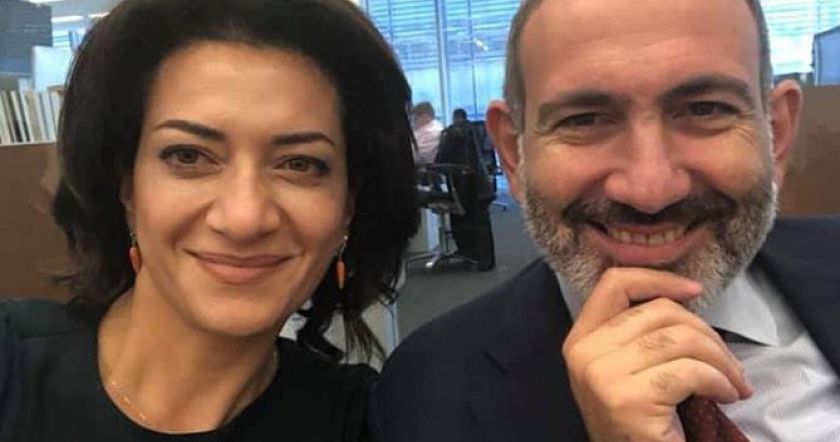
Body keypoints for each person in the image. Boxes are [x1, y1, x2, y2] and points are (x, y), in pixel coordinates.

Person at [371, 0, 840, 441]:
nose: (650, 191)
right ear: (514, 153)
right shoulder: (425, 396)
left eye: (705, 110)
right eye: (585, 120)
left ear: (776, 134)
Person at [0, 0, 418, 440]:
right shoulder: (13, 366)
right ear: (127, 186)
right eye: (188, 156)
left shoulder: (370, 424)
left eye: (299, 164)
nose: (244, 218)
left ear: (349, 205)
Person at [434, 109, 496, 270]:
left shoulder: (450, 134)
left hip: (462, 186)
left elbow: (439, 161)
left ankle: (467, 252)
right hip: (480, 186)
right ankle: (481, 258)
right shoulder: (478, 131)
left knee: (461, 216)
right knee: (479, 222)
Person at [410, 102, 444, 166]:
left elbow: (419, 157)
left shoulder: (433, 131)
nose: (413, 122)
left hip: (424, 168)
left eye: (415, 118)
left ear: (425, 116)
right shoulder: (422, 129)